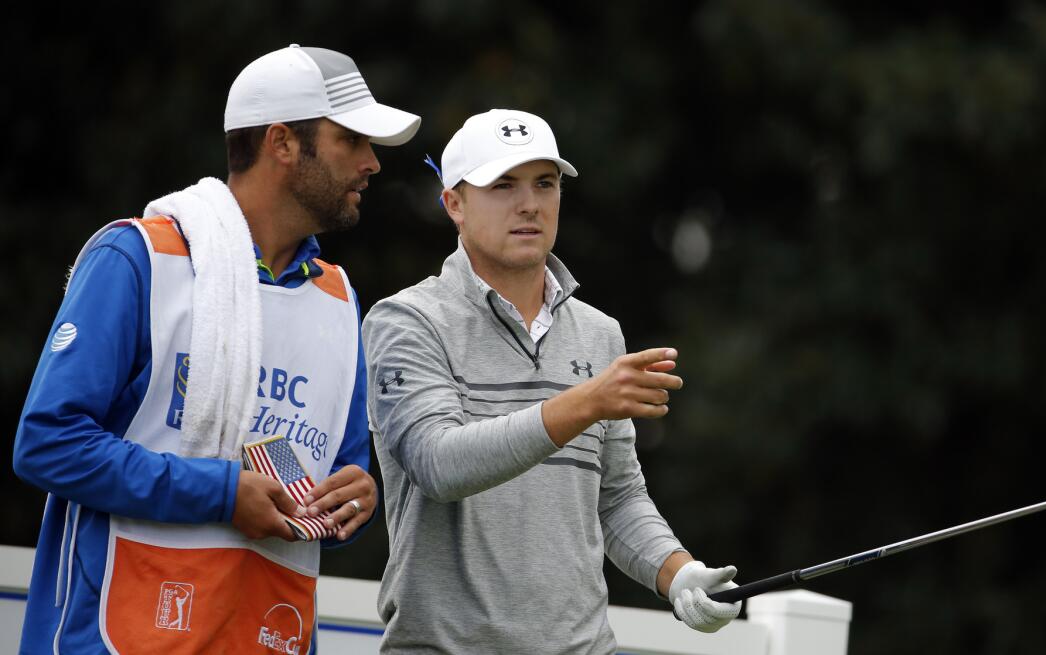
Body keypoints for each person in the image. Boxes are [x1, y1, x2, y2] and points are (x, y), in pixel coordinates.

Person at [12, 44, 420, 654]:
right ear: (282, 143)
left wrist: (350, 502)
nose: (372, 163)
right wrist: (222, 493)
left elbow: (329, 484)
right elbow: (47, 444)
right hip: (109, 636)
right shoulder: (138, 258)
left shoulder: (338, 298)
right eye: (351, 140)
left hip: (262, 630)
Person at [363, 109, 740, 653]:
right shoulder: (408, 320)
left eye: (546, 183)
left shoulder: (599, 334)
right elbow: (437, 464)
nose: (529, 204)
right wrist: (583, 403)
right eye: (503, 185)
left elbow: (616, 498)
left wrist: (678, 573)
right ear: (454, 204)